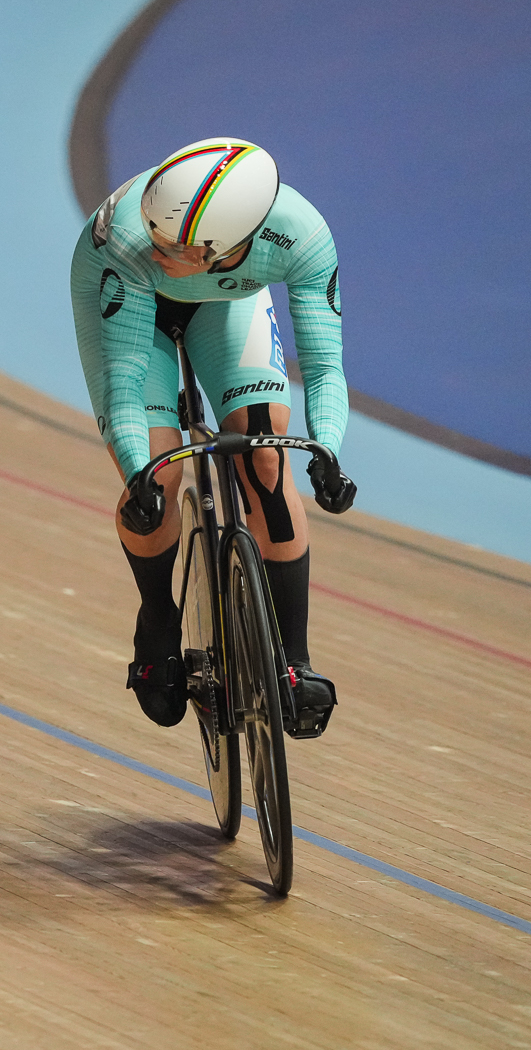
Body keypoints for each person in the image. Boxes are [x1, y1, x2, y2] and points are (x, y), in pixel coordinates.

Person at [69, 138, 356, 733]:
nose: (157, 250)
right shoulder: (131, 245)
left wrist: (327, 448)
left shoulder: (301, 238)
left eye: (173, 248)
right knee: (160, 471)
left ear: (229, 244)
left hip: (229, 306)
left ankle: (294, 660)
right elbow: (125, 386)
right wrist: (138, 473)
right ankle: (157, 623)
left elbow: (325, 365)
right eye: (155, 234)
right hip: (127, 304)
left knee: (267, 465)